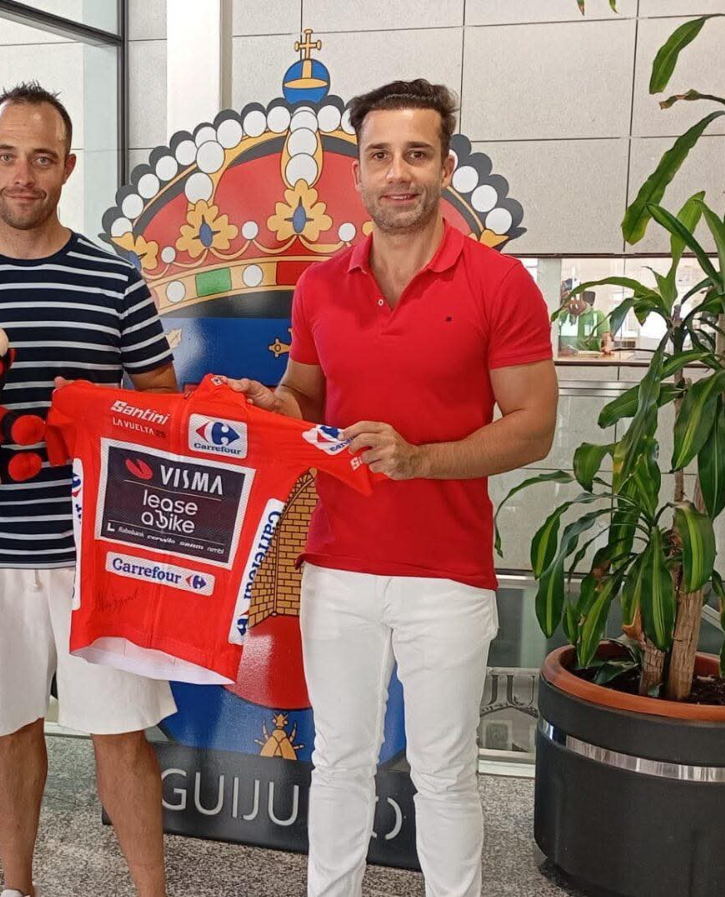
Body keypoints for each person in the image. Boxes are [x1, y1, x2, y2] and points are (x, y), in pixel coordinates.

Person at [230, 80, 559, 897]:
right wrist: (276, 405)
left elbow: (534, 427)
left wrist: (420, 460)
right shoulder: (320, 286)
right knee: (339, 759)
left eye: (416, 153)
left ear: (445, 166)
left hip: (446, 573)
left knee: (444, 773)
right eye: (379, 155)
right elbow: (307, 398)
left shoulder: (500, 284)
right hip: (336, 564)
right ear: (358, 173)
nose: (397, 172)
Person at [0, 83, 179, 897]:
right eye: (9, 156)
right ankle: (17, 888)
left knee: (122, 730)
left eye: (42, 158)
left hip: (100, 552)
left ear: (68, 167)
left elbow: (163, 401)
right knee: (6, 732)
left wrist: (100, 419)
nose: (24, 175)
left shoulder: (116, 279)